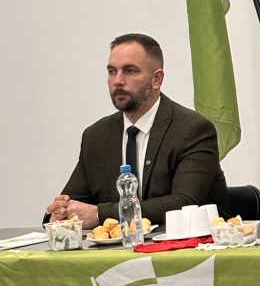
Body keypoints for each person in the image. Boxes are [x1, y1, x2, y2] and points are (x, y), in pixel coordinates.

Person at [45, 33, 229, 229]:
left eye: (130, 71)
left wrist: (101, 214)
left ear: (157, 79)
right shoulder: (96, 136)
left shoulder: (192, 130)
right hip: (120, 248)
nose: (117, 81)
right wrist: (61, 213)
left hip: (190, 246)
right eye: (112, 71)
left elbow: (184, 203)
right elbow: (73, 201)